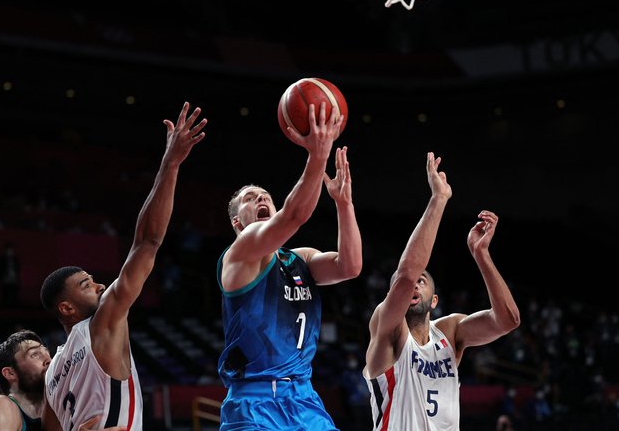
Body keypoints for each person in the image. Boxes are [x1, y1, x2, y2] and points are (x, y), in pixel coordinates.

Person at [39, 101, 207, 431]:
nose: (101, 285)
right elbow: (147, 242)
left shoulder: (53, 374)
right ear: (67, 307)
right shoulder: (101, 325)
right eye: (87, 285)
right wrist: (170, 164)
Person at [217, 102, 362, 430]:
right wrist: (317, 154)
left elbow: (350, 266)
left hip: (303, 397)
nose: (261, 200)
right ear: (238, 223)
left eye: (265, 196)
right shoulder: (238, 257)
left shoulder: (302, 259)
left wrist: (344, 203)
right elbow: (295, 216)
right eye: (251, 199)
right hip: (253, 401)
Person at [363, 152, 521, 430]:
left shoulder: (450, 332)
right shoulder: (387, 331)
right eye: (406, 285)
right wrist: (439, 199)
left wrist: (481, 255)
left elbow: (508, 320)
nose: (413, 284)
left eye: (422, 281)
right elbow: (406, 274)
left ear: (435, 300)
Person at [0, 329, 123, 431]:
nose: (49, 360)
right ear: (10, 373)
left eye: (46, 352)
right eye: (35, 354)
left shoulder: (62, 415)